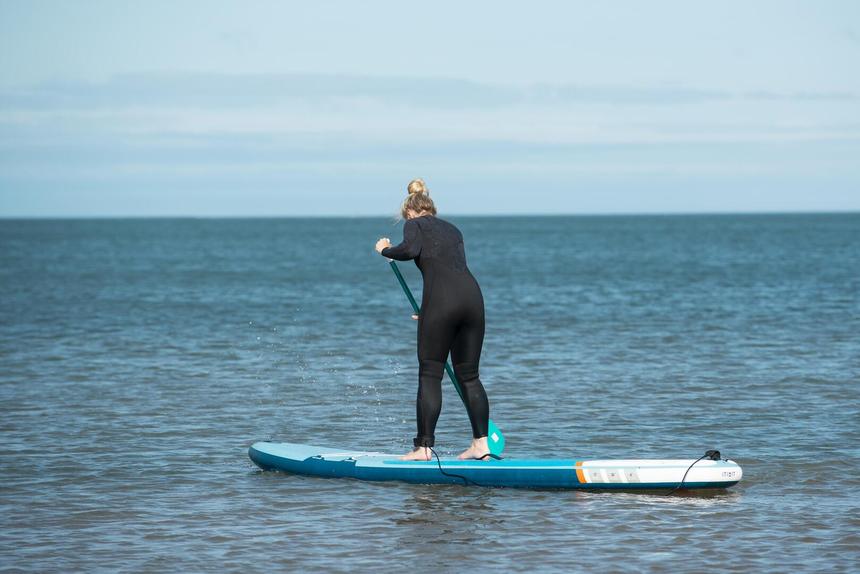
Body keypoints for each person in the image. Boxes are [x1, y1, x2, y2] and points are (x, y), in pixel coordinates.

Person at [375, 179, 492, 461]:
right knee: (470, 376)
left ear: (410, 212)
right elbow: (449, 270)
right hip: (472, 301)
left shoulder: (414, 224)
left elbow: (409, 251)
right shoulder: (453, 229)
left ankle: (423, 448)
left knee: (430, 373)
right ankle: (481, 445)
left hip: (442, 304)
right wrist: (430, 311)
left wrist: (385, 250)